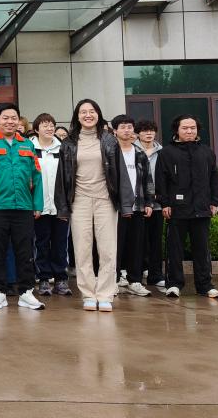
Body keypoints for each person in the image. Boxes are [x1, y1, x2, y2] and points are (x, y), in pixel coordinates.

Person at [0, 103, 45, 312]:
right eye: (5, 118)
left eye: (14, 118)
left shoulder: (27, 145)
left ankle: (26, 292)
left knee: (25, 251)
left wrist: (37, 204)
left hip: (23, 206)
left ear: (19, 121)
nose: (10, 121)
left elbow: (37, 176)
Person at [54, 99, 119, 312]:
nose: (88, 115)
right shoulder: (69, 143)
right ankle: (89, 294)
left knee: (107, 249)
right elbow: (62, 177)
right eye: (83, 112)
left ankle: (106, 294)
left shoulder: (110, 140)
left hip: (105, 200)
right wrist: (62, 207)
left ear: (98, 114)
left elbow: (120, 173)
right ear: (77, 116)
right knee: (82, 250)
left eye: (92, 111)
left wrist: (125, 203)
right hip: (79, 200)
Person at [156, 114, 218, 299]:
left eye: (193, 128)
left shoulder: (206, 152)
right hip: (176, 209)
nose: (189, 131)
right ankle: (174, 284)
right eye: (185, 128)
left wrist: (215, 202)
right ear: (177, 130)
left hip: (201, 209)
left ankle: (205, 286)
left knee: (202, 250)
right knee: (174, 249)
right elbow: (161, 181)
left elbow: (214, 178)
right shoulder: (166, 153)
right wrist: (164, 203)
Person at [110, 115, 154, 298]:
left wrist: (149, 202)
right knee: (115, 245)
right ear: (114, 131)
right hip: (117, 208)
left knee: (137, 245)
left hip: (138, 206)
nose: (127, 130)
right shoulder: (110, 153)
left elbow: (147, 180)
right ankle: (114, 280)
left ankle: (135, 280)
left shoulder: (139, 153)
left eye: (129, 127)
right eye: (122, 127)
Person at [31, 114, 71, 297]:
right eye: (45, 125)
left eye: (51, 125)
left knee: (60, 244)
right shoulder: (30, 148)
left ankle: (61, 279)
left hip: (60, 206)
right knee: (41, 243)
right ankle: (44, 279)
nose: (49, 128)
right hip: (39, 206)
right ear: (36, 129)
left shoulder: (63, 148)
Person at [135, 120, 165, 289]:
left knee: (155, 241)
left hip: (157, 204)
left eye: (152, 131)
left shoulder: (162, 152)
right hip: (138, 203)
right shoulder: (132, 150)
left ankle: (156, 275)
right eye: (145, 131)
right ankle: (136, 274)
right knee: (138, 241)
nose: (149, 134)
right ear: (138, 133)